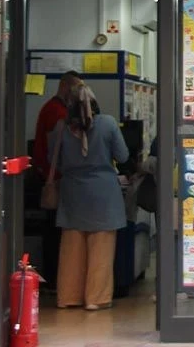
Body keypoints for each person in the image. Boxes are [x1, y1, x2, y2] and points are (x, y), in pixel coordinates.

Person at [50, 84, 129, 310]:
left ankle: (68, 297)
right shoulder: (108, 124)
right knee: (101, 250)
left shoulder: (61, 128)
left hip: (72, 193)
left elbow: (52, 158)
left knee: (71, 250)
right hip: (104, 194)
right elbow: (123, 156)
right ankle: (96, 298)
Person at [32, 70, 82, 286]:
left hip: (54, 175)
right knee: (55, 231)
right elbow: (57, 150)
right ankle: (53, 279)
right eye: (75, 89)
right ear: (64, 87)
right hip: (54, 178)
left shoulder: (55, 109)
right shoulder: (56, 112)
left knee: (56, 230)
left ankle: (55, 279)